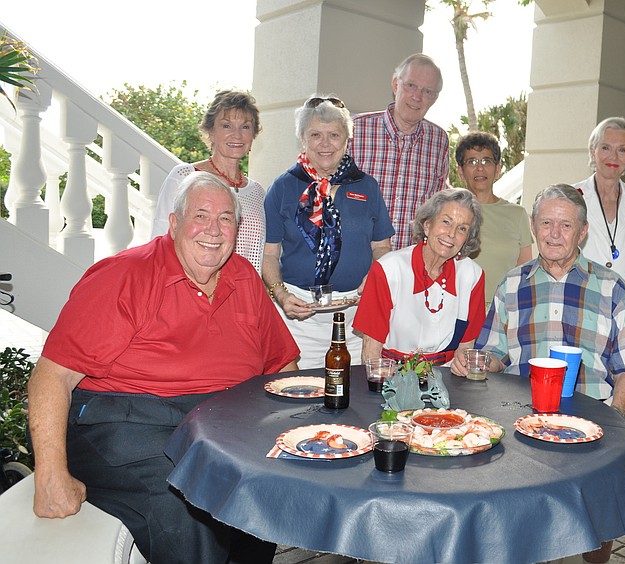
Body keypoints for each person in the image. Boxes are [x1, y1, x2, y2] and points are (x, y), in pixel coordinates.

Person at [28, 171, 300, 564]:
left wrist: (289, 435)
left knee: (261, 486)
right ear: (174, 223)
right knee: (187, 503)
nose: (213, 229)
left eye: (225, 218)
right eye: (200, 216)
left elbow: (283, 365)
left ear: (237, 230)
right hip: (122, 420)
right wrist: (50, 474)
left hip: (215, 423)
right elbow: (53, 374)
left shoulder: (243, 277)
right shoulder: (124, 275)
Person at [451, 183, 625, 563]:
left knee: (598, 531)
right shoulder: (512, 284)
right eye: (546, 223)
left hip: (590, 426)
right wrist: (477, 360)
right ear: (533, 226)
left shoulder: (612, 289)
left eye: (565, 225)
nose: (554, 234)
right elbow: (494, 353)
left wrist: (615, 420)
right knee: (518, 527)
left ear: (583, 231)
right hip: (518, 421)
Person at [263, 96, 394, 368]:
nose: (325, 143)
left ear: (347, 139)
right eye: (315, 135)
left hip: (354, 318)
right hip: (298, 318)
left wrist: (374, 277)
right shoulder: (283, 187)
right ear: (303, 139)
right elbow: (270, 254)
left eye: (334, 135)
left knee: (352, 390)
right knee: (298, 389)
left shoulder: (367, 186)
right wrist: (281, 295)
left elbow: (381, 246)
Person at [353, 188, 486, 366]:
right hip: (391, 373)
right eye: (446, 222)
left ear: (467, 238)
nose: (452, 234)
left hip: (447, 374)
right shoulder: (388, 270)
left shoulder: (472, 276)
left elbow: (465, 348)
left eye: (462, 228)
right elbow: (371, 353)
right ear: (427, 225)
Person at [152, 90, 266, 273]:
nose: (237, 135)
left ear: (253, 135)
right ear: (211, 132)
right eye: (227, 126)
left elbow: (259, 255)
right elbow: (159, 241)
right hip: (192, 286)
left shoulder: (257, 192)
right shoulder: (184, 176)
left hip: (245, 287)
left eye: (245, 127)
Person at [350, 53, 450, 250]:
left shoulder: (439, 140)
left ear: (435, 98)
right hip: (357, 259)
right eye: (411, 85)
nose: (417, 97)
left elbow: (438, 206)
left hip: (410, 262)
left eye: (427, 91)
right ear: (396, 84)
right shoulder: (355, 130)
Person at [574, 117, 625, 303]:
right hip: (579, 305)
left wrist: (620, 302)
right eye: (605, 148)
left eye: (622, 150)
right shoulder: (571, 197)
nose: (613, 157)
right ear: (593, 151)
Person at [455, 131, 533, 309]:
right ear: (460, 171)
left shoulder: (517, 214)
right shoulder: (449, 213)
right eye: (472, 161)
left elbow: (525, 272)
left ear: (497, 169)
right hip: (457, 309)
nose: (480, 168)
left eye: (486, 161)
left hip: (503, 311)